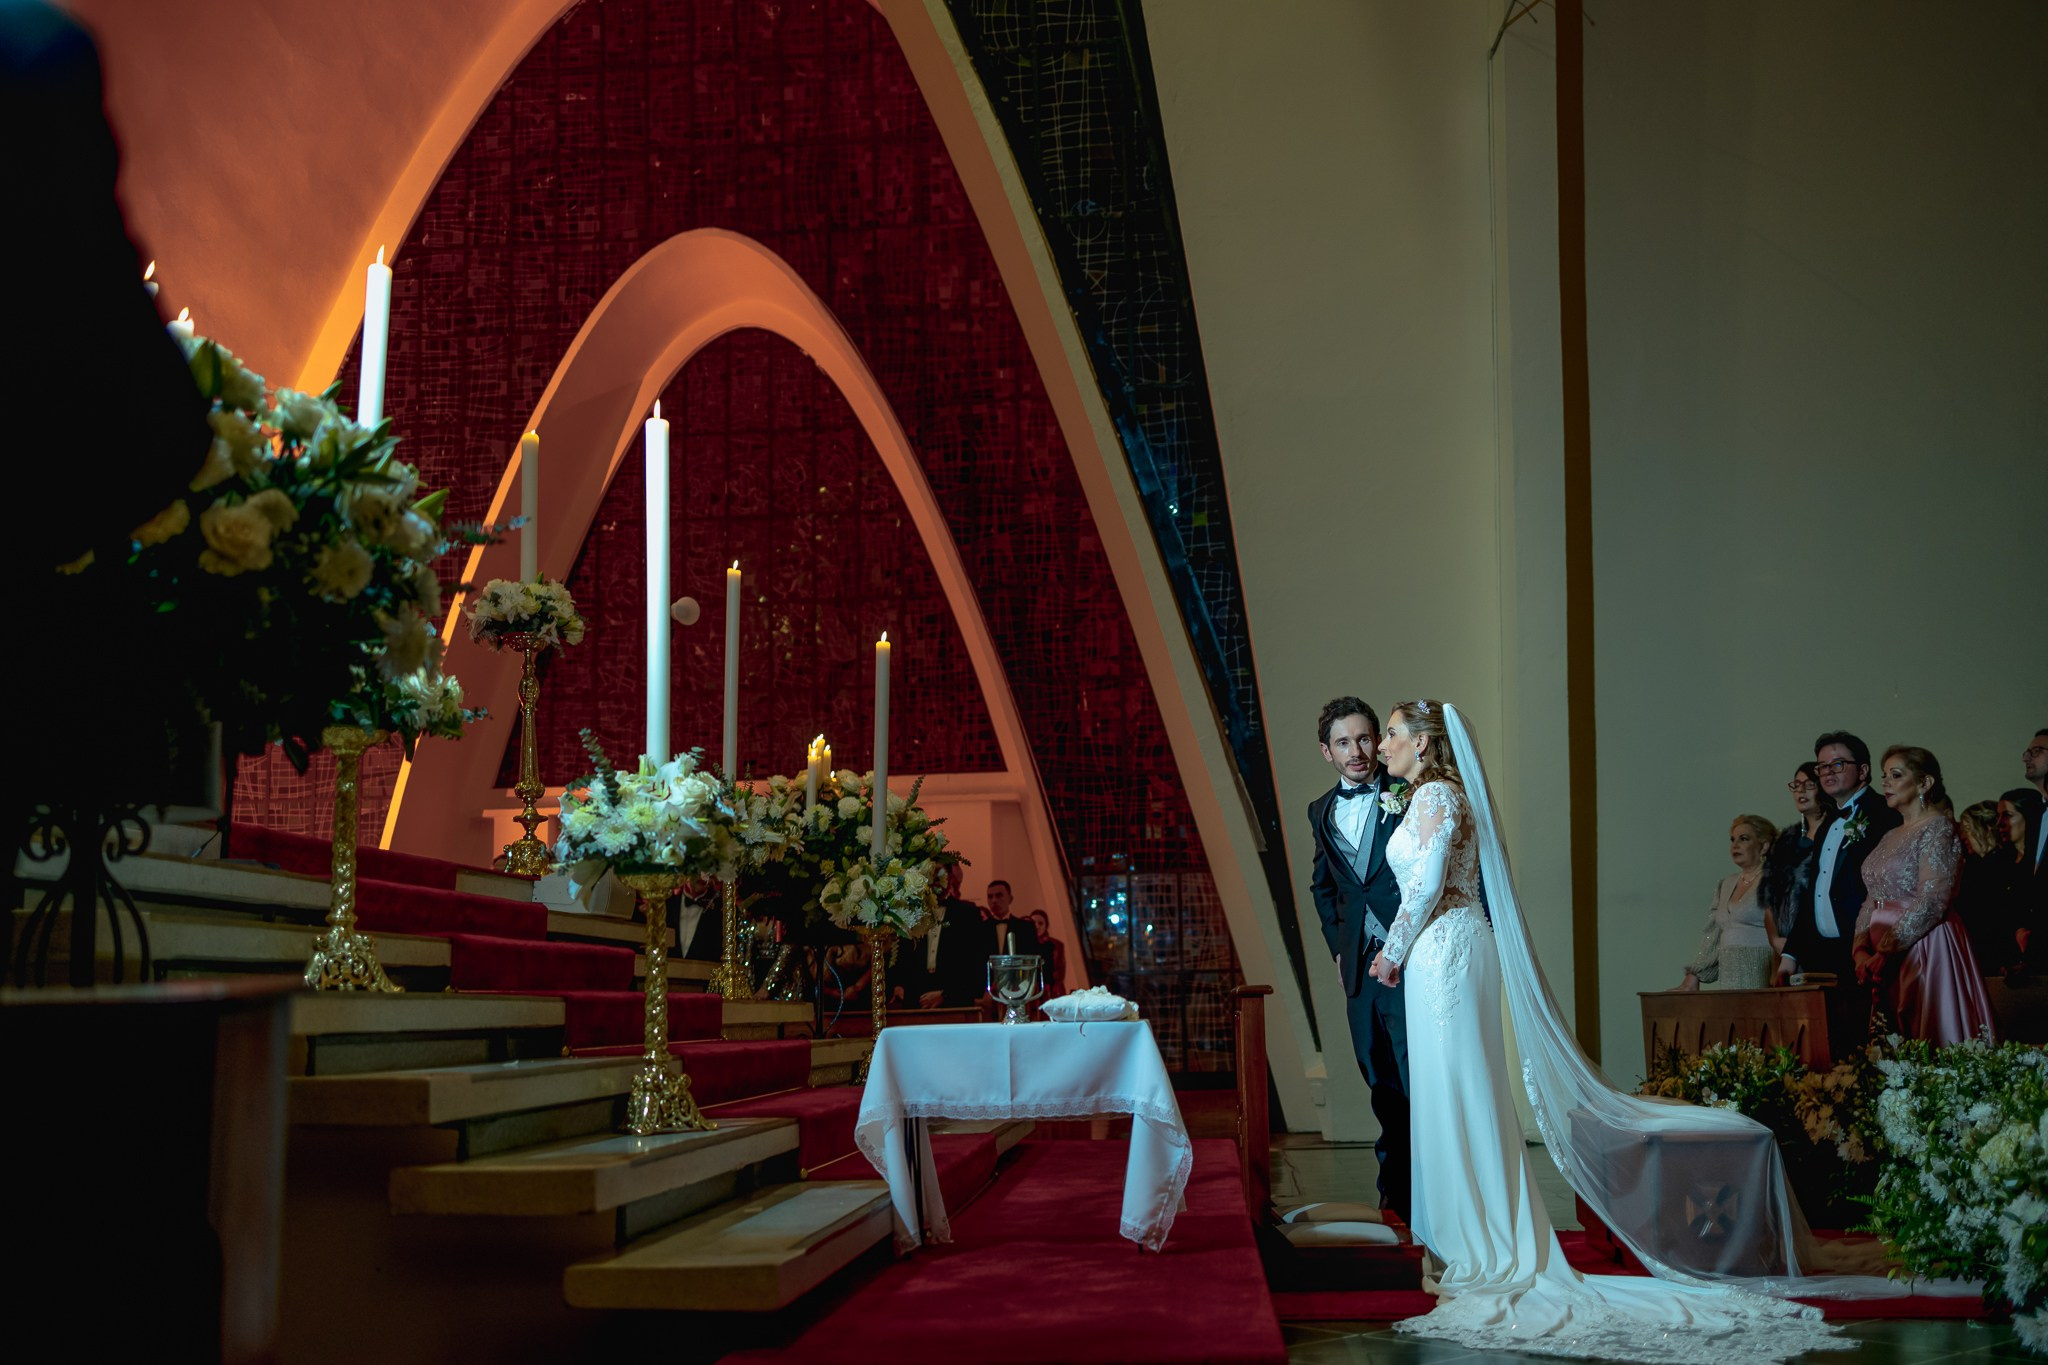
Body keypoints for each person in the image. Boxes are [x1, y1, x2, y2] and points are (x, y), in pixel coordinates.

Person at [1364, 701, 1842, 1361]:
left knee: (1456, 1083)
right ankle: (1465, 1230)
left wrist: (1390, 950)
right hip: (1450, 944)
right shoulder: (1435, 795)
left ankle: (1475, 1238)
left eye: (1391, 732)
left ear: (1423, 742)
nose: (1383, 744)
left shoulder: (1437, 798)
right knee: (1454, 1083)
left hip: (1442, 945)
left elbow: (1421, 886)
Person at [1305, 697, 1411, 1218]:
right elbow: (1323, 887)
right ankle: (1395, 1192)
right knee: (1379, 1079)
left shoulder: (1408, 793)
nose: (1358, 751)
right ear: (1327, 751)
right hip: (1359, 969)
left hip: (1412, 960)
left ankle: (1431, 1192)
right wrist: (1337, 949)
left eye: (1366, 739)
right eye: (1344, 742)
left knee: (1418, 1077)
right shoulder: (1319, 811)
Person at [1850, 747, 1995, 1044]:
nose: (1886, 783)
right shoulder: (1890, 835)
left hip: (1924, 945)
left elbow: (1933, 899)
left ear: (1924, 783)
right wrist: (1860, 949)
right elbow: (1873, 898)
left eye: (1896, 775)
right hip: (1884, 954)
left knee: (1930, 1038)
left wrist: (1886, 951)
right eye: (1884, 776)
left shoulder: (1938, 827)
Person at [1781, 731, 1901, 982]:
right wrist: (1789, 956)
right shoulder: (1826, 826)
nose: (1827, 772)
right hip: (1821, 954)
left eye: (1837, 764)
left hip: (1868, 951)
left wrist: (1870, 948)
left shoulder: (1886, 814)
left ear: (1863, 770)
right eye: (1822, 767)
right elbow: (1815, 891)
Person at [1680, 815, 1779, 991]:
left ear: (1764, 846)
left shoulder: (1776, 880)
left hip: (1764, 972)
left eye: (1744, 839)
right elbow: (1712, 936)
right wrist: (1694, 975)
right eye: (1733, 840)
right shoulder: (1725, 884)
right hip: (1729, 974)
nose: (1735, 845)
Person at [1763, 762, 1834, 980]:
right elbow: (1769, 897)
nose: (1800, 791)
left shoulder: (1835, 833)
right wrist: (1774, 938)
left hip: (1824, 941)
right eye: (1796, 785)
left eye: (1809, 784)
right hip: (1785, 946)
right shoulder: (1786, 840)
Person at [897, 862, 991, 1008]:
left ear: (950, 878)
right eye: (930, 875)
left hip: (955, 998)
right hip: (917, 997)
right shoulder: (913, 913)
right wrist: (900, 985)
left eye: (939, 874)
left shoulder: (967, 913)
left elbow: (975, 960)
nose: (934, 879)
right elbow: (905, 956)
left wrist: (946, 994)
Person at [1955, 801, 2021, 975]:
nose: (1962, 836)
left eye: (1967, 827)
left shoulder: (2000, 864)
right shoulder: (1976, 865)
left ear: (1984, 828)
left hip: (1996, 958)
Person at [1027, 908, 1068, 994]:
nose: (1037, 926)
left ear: (1046, 925)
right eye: (1033, 923)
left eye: (1040, 923)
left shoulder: (1056, 945)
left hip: (1051, 990)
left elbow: (1059, 973)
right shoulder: (1024, 945)